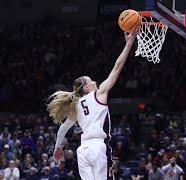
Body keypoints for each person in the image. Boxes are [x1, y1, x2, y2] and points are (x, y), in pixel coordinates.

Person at [46, 28, 139, 180]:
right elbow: (117, 67)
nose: (95, 82)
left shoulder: (75, 107)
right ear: (86, 87)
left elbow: (62, 129)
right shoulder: (99, 93)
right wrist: (129, 44)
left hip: (83, 151)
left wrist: (57, 147)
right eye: (91, 81)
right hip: (97, 148)